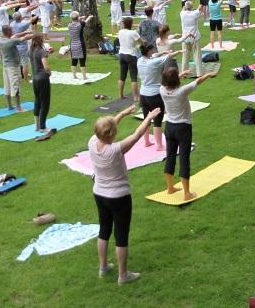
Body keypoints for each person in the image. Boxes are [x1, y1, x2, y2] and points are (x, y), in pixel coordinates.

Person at [90, 105, 161, 284]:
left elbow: (106, 127)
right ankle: (123, 275)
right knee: (121, 236)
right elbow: (137, 134)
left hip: (99, 194)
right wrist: (149, 117)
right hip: (119, 197)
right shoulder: (115, 149)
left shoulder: (92, 142)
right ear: (112, 134)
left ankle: (103, 267)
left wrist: (122, 113)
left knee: (104, 230)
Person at [160, 67, 218, 201]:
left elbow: (169, 84)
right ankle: (187, 193)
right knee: (184, 159)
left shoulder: (162, 90)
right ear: (176, 81)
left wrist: (180, 75)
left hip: (169, 127)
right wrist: (209, 74)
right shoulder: (182, 91)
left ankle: (170, 188)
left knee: (170, 156)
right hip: (183, 127)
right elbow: (198, 81)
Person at [138, 43, 180, 150]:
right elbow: (168, 56)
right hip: (154, 95)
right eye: (152, 50)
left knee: (146, 119)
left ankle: (146, 142)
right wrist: (177, 52)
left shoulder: (140, 61)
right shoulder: (154, 63)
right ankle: (159, 145)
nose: (153, 52)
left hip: (143, 94)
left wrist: (163, 52)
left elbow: (155, 55)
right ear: (148, 52)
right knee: (157, 121)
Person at [0, 25, 34, 111]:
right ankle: (19, 108)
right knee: (16, 86)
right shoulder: (11, 42)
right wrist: (34, 34)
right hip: (13, 67)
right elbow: (23, 38)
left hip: (6, 66)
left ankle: (9, 106)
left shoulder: (2, 40)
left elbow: (17, 35)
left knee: (7, 86)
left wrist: (26, 32)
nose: (13, 32)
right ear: (8, 32)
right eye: (11, 30)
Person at [29, 33, 54, 133]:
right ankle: (43, 127)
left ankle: (37, 125)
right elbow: (46, 66)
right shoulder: (41, 51)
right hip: (43, 79)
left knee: (37, 101)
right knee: (45, 103)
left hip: (35, 79)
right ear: (40, 40)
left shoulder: (30, 51)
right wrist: (49, 72)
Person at [117, 17, 141, 101]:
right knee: (133, 77)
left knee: (122, 76)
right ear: (131, 24)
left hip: (122, 55)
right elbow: (141, 41)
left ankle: (120, 95)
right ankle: (135, 97)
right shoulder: (133, 33)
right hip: (131, 55)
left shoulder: (120, 32)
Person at [179, 1, 202, 77]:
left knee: (185, 56)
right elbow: (199, 9)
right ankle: (199, 73)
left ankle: (184, 73)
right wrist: (199, 5)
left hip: (185, 38)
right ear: (192, 7)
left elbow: (183, 9)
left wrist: (186, 6)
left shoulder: (182, 14)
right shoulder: (195, 13)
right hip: (195, 37)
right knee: (197, 55)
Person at [69, 12, 92, 81]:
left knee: (74, 60)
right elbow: (86, 21)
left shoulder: (69, 25)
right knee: (82, 61)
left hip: (72, 44)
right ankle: (84, 77)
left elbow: (75, 19)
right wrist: (89, 17)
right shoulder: (80, 25)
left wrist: (80, 17)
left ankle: (74, 76)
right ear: (77, 18)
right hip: (80, 44)